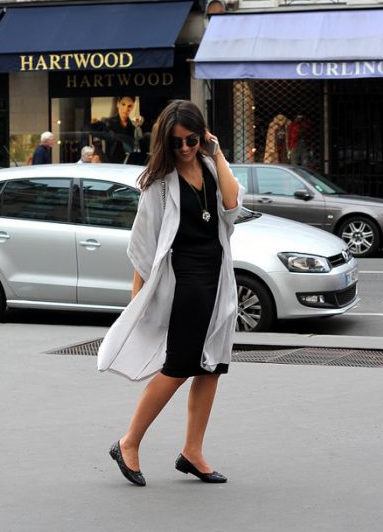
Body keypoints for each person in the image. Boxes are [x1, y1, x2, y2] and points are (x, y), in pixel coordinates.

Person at [97, 99, 243, 487]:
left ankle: (192, 452)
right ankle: (128, 442)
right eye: (177, 142)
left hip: (218, 276)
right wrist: (137, 299)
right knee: (179, 366)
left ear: (203, 136)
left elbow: (232, 204)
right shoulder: (159, 184)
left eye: (192, 140)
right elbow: (142, 247)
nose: (184, 149)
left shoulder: (211, 167)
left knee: (212, 367)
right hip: (185, 281)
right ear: (165, 141)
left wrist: (217, 153)